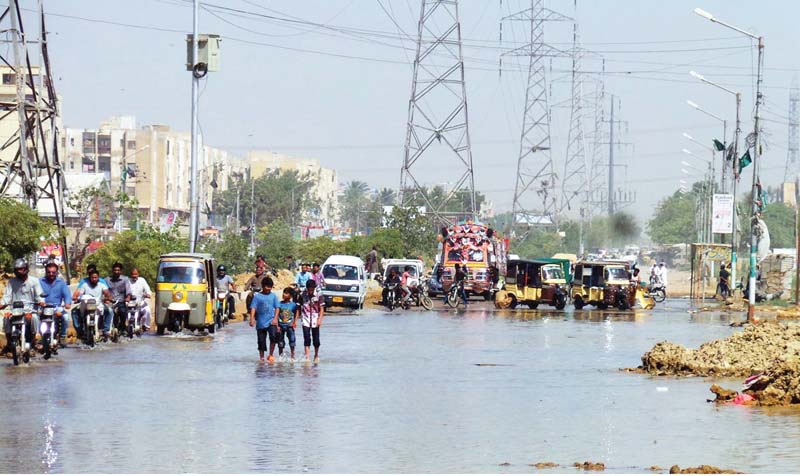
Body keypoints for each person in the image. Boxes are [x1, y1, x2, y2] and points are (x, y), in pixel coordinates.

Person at [1, 258, 45, 352]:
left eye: (21, 269)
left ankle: (34, 341)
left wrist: (41, 301)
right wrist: (2, 304)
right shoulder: (11, 282)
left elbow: (39, 295)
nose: (19, 271)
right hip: (15, 310)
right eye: (17, 269)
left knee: (34, 318)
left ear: (26, 269)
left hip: (30, 310)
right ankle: (9, 342)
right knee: (6, 317)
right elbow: (7, 297)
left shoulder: (34, 281)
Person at [72, 269, 113, 339]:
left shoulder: (101, 285)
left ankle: (106, 330)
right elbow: (79, 293)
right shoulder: (85, 285)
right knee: (74, 311)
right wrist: (76, 298)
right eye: (92, 277)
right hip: (86, 305)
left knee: (110, 311)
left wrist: (109, 298)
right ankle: (80, 331)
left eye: (96, 277)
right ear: (89, 277)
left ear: (98, 277)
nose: (94, 279)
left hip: (98, 305)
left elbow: (107, 292)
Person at [39, 261, 72, 345]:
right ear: (45, 272)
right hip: (43, 307)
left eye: (53, 272)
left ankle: (63, 335)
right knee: (35, 318)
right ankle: (37, 336)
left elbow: (67, 295)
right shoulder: (39, 282)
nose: (51, 274)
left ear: (57, 272)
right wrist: (39, 302)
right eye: (49, 272)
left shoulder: (61, 283)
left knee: (65, 317)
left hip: (56, 307)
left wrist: (67, 303)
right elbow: (35, 293)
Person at [248, 276, 280, 363]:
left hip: (271, 321)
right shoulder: (257, 297)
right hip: (261, 322)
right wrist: (252, 319)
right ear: (263, 286)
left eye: (270, 287)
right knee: (261, 341)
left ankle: (271, 354)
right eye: (267, 286)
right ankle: (261, 358)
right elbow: (253, 308)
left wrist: (275, 319)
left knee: (273, 337)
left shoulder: (273, 296)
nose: (268, 289)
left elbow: (277, 308)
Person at [299, 279, 324, 363]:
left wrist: (320, 319)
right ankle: (307, 357)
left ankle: (316, 355)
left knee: (316, 339)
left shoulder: (319, 294)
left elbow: (322, 308)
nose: (310, 292)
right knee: (306, 338)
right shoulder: (302, 294)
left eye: (312, 290)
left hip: (315, 319)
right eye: (309, 290)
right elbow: (299, 306)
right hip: (305, 318)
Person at [106, 263, 132, 336]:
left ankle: (123, 328)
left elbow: (128, 291)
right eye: (115, 270)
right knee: (107, 313)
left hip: (121, 301)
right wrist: (106, 299)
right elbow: (104, 291)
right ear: (112, 270)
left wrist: (127, 298)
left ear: (121, 271)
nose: (116, 272)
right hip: (110, 302)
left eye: (118, 270)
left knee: (123, 313)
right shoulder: (107, 279)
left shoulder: (125, 279)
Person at [276, 287, 298, 360]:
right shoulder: (279, 304)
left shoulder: (293, 305)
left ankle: (292, 356)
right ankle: (280, 356)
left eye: (286, 293)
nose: (284, 294)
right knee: (280, 342)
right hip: (281, 326)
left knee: (292, 341)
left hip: (290, 326)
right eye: (284, 293)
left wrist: (295, 322)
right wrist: (277, 325)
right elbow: (276, 313)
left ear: (290, 296)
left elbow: (297, 312)